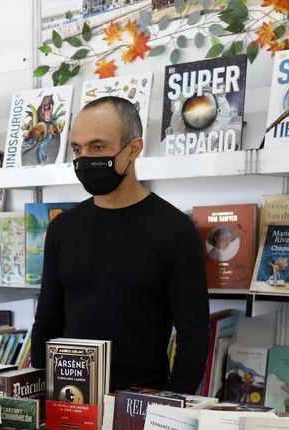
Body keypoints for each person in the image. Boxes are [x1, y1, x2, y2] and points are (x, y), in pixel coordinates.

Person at [31, 96, 209, 394]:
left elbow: (194, 336)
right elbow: (47, 322)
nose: (85, 158)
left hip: (142, 403)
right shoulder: (62, 228)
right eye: (78, 149)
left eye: (97, 147)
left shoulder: (175, 229)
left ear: (134, 149)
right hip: (68, 400)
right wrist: (38, 394)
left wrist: (172, 408)